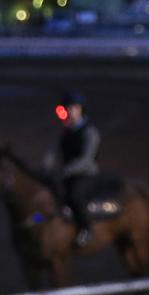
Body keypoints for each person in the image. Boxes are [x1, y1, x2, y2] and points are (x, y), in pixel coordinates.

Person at [43, 91, 101, 248]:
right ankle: (39, 220)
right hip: (66, 174)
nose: (70, 111)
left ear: (81, 109)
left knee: (74, 196)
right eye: (67, 108)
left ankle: (86, 229)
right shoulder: (65, 132)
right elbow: (53, 151)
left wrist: (64, 171)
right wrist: (46, 167)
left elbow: (86, 160)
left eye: (74, 108)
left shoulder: (90, 132)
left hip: (85, 174)